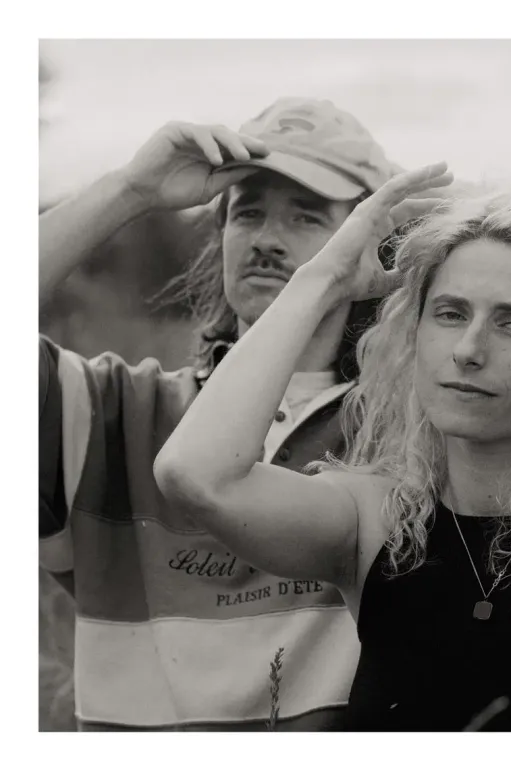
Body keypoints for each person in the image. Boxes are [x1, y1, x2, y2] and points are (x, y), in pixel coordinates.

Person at [153, 167, 511, 731]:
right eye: (450, 313)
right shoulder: (379, 517)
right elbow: (196, 476)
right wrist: (322, 280)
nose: (468, 349)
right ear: (413, 331)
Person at [39, 98, 398, 730]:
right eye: (247, 212)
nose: (266, 240)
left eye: (306, 216)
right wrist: (129, 191)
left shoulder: (412, 431)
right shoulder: (112, 414)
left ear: (371, 245)